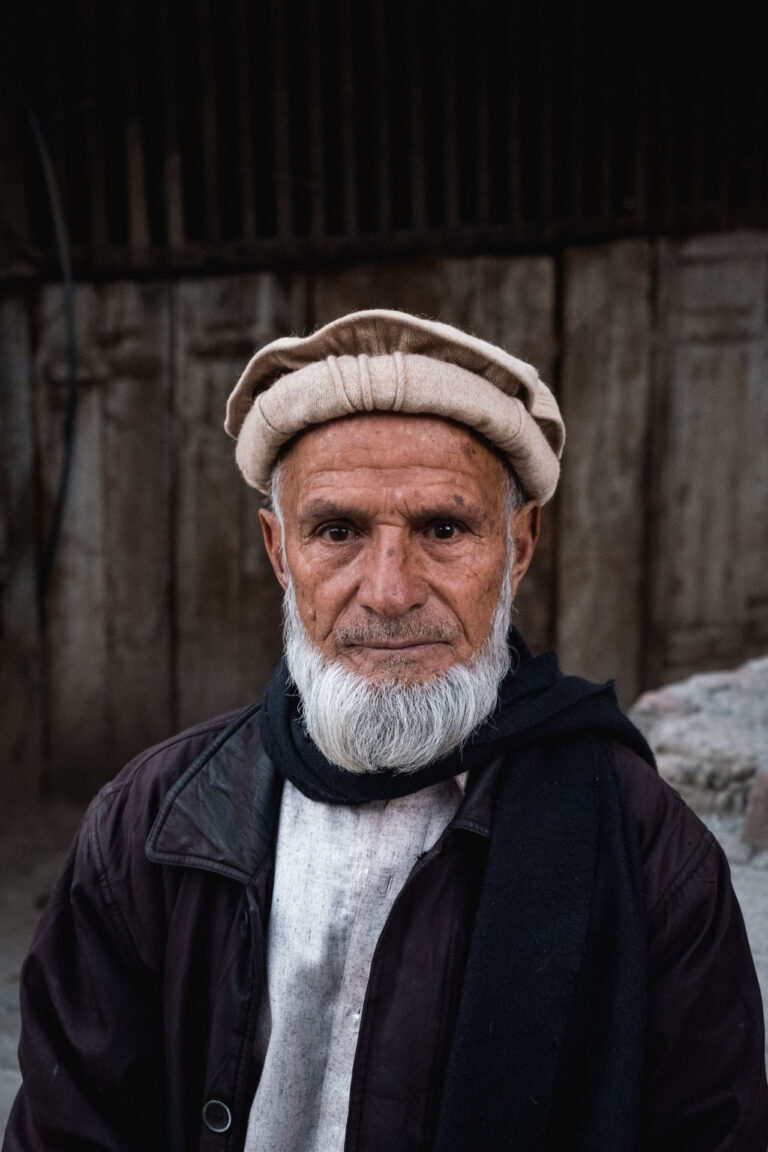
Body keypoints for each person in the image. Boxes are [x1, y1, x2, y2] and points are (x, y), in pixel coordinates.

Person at [4, 310, 767, 1152]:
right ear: (277, 552)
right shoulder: (148, 827)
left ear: (517, 549)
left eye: (444, 530)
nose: (390, 590)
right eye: (338, 532)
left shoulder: (646, 849)